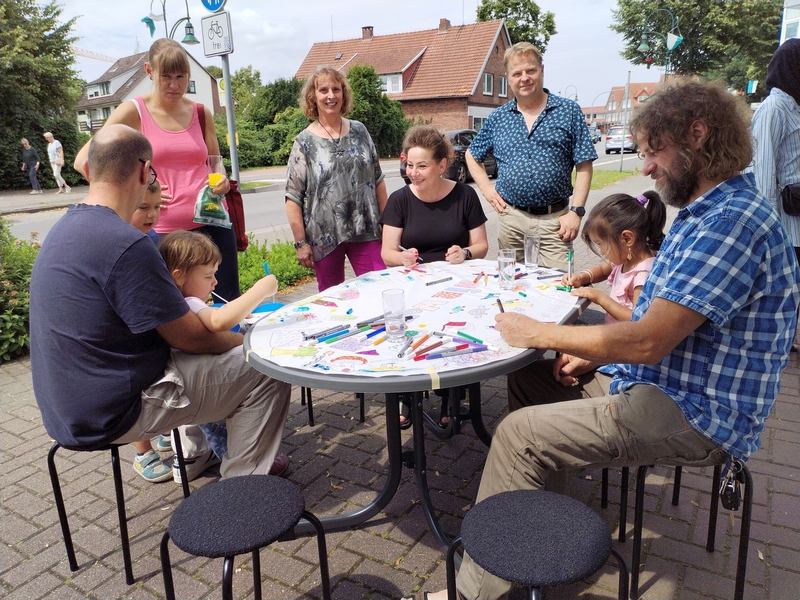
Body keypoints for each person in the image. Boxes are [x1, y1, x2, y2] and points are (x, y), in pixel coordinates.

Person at [418, 79, 800, 600]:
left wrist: (538, 331)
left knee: (517, 434)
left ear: (698, 135)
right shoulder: (707, 214)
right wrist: (586, 355)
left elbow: (647, 342)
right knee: (531, 373)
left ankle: (475, 591)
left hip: (697, 414)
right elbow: (655, 330)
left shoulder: (729, 223)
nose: (645, 167)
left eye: (653, 152)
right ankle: (544, 535)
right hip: (665, 387)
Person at [30, 124, 291, 484]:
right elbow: (192, 339)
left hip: (67, 410)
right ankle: (244, 493)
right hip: (114, 411)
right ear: (143, 170)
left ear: (91, 169)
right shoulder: (126, 243)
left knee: (211, 363)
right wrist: (251, 340)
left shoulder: (64, 229)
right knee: (265, 368)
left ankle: (202, 454)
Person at [74, 38, 241, 301]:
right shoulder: (134, 111)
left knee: (225, 302)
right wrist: (134, 195)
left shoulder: (200, 112)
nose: (174, 85)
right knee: (172, 311)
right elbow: (84, 159)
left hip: (213, 224)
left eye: (181, 76)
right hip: (165, 233)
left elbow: (214, 161)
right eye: (166, 76)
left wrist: (220, 181)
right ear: (149, 71)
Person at [466, 42, 597, 271]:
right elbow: (471, 155)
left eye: (530, 70)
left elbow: (584, 165)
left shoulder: (568, 111)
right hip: (512, 220)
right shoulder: (499, 117)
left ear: (542, 70)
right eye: (517, 73)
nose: (524, 78)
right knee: (510, 284)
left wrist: (576, 212)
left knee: (559, 287)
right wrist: (487, 190)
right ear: (509, 78)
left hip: (555, 221)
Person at [285, 65, 387, 291]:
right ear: (313, 96)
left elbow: (377, 179)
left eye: (336, 89)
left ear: (344, 93)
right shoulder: (304, 143)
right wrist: (301, 243)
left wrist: (389, 225)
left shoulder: (360, 131)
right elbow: (293, 197)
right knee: (332, 302)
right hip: (324, 236)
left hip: (367, 229)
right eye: (323, 90)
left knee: (380, 289)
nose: (331, 96)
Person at [381, 125, 488, 266]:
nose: (413, 173)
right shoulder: (398, 200)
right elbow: (387, 253)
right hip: (414, 279)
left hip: (456, 278)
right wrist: (402, 258)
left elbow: (481, 245)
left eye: (422, 166)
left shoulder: (466, 195)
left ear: (442, 165)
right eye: (410, 165)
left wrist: (464, 253)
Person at [127, 177, 173, 482]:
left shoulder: (152, 238)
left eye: (157, 207)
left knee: (161, 381)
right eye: (143, 207)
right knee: (139, 390)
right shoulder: (124, 243)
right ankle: (143, 453)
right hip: (134, 336)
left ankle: (157, 433)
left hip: (156, 327)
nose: (152, 214)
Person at [561, 190, 665, 323]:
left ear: (627, 239)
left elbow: (637, 319)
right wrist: (582, 277)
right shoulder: (625, 258)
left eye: (601, 244)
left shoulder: (643, 274)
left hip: (625, 340)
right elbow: (603, 270)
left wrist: (600, 298)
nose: (602, 251)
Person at [747, 38, 800, 262]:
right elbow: (763, 172)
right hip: (785, 232)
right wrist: (768, 236)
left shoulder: (796, 107)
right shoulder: (774, 108)